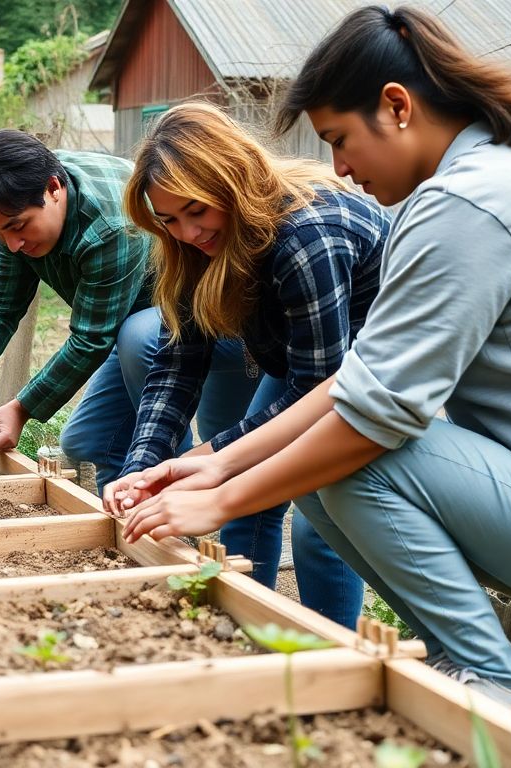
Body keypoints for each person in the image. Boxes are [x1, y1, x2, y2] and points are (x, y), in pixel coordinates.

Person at [120, 5, 511, 706]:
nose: (338, 166)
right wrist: (211, 462)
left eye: (339, 138)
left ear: (396, 107)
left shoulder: (469, 205)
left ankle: (496, 687)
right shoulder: (475, 182)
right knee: (326, 472)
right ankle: (465, 663)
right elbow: (355, 384)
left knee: (360, 460)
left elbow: (370, 416)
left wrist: (222, 500)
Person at [102, 102, 389, 628]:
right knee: (248, 494)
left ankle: (333, 652)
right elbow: (177, 363)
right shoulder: (191, 248)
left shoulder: (306, 235)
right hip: (307, 362)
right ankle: (249, 627)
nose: (187, 233)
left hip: (374, 375)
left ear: (231, 182)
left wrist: (211, 454)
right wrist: (143, 466)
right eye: (168, 220)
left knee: (322, 517)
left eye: (197, 211)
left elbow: (318, 387)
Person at [0, 129, 163, 487]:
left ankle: (168, 523)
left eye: (17, 227)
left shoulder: (110, 227)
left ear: (54, 189)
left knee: (159, 444)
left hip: (180, 316)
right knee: (91, 440)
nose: (12, 244)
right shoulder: (17, 198)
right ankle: (126, 521)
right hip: (125, 324)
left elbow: (91, 339)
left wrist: (21, 408)